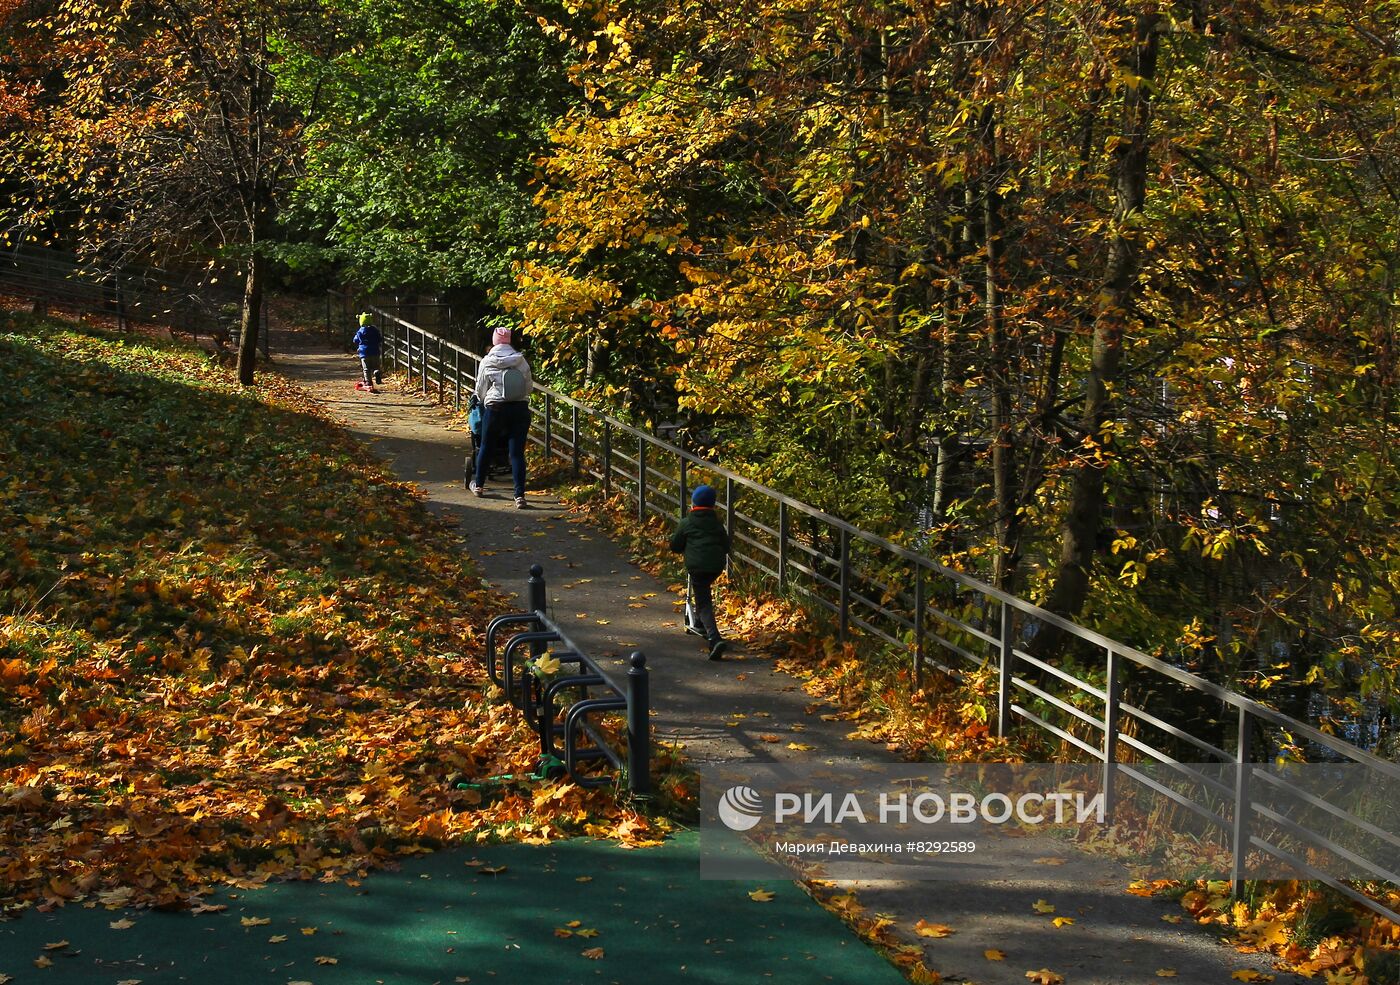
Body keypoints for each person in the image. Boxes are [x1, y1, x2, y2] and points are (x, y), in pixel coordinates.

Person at [469, 326, 532, 508]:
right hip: (520, 408)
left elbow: (480, 389)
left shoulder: (488, 361)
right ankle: (519, 495)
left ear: (495, 341)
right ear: (509, 340)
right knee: (517, 453)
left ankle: (479, 485)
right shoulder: (521, 360)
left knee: (487, 446)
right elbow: (528, 387)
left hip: (496, 408)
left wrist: (482, 400)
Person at [670, 484, 731, 660]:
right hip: (715, 567)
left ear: (693, 504)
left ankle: (714, 638)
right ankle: (698, 623)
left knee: (703, 601)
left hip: (697, 567)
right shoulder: (717, 524)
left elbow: (675, 545)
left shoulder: (687, 522)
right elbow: (726, 546)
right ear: (713, 505)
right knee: (703, 590)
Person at [352, 312, 383, 391]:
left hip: (364, 353)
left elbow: (355, 340)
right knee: (376, 365)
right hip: (375, 351)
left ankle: (368, 382)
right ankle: (376, 371)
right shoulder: (375, 330)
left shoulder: (360, 331)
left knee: (366, 369)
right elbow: (380, 339)